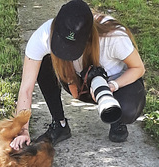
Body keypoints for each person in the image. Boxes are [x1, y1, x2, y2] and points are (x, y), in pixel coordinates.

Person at [10, 0, 146, 150]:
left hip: (117, 85)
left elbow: (138, 68)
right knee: (42, 61)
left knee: (127, 110)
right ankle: (60, 124)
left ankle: (116, 117)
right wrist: (22, 130)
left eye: (73, 49)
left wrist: (113, 86)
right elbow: (26, 89)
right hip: (78, 84)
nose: (67, 54)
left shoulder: (113, 37)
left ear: (88, 38)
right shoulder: (43, 35)